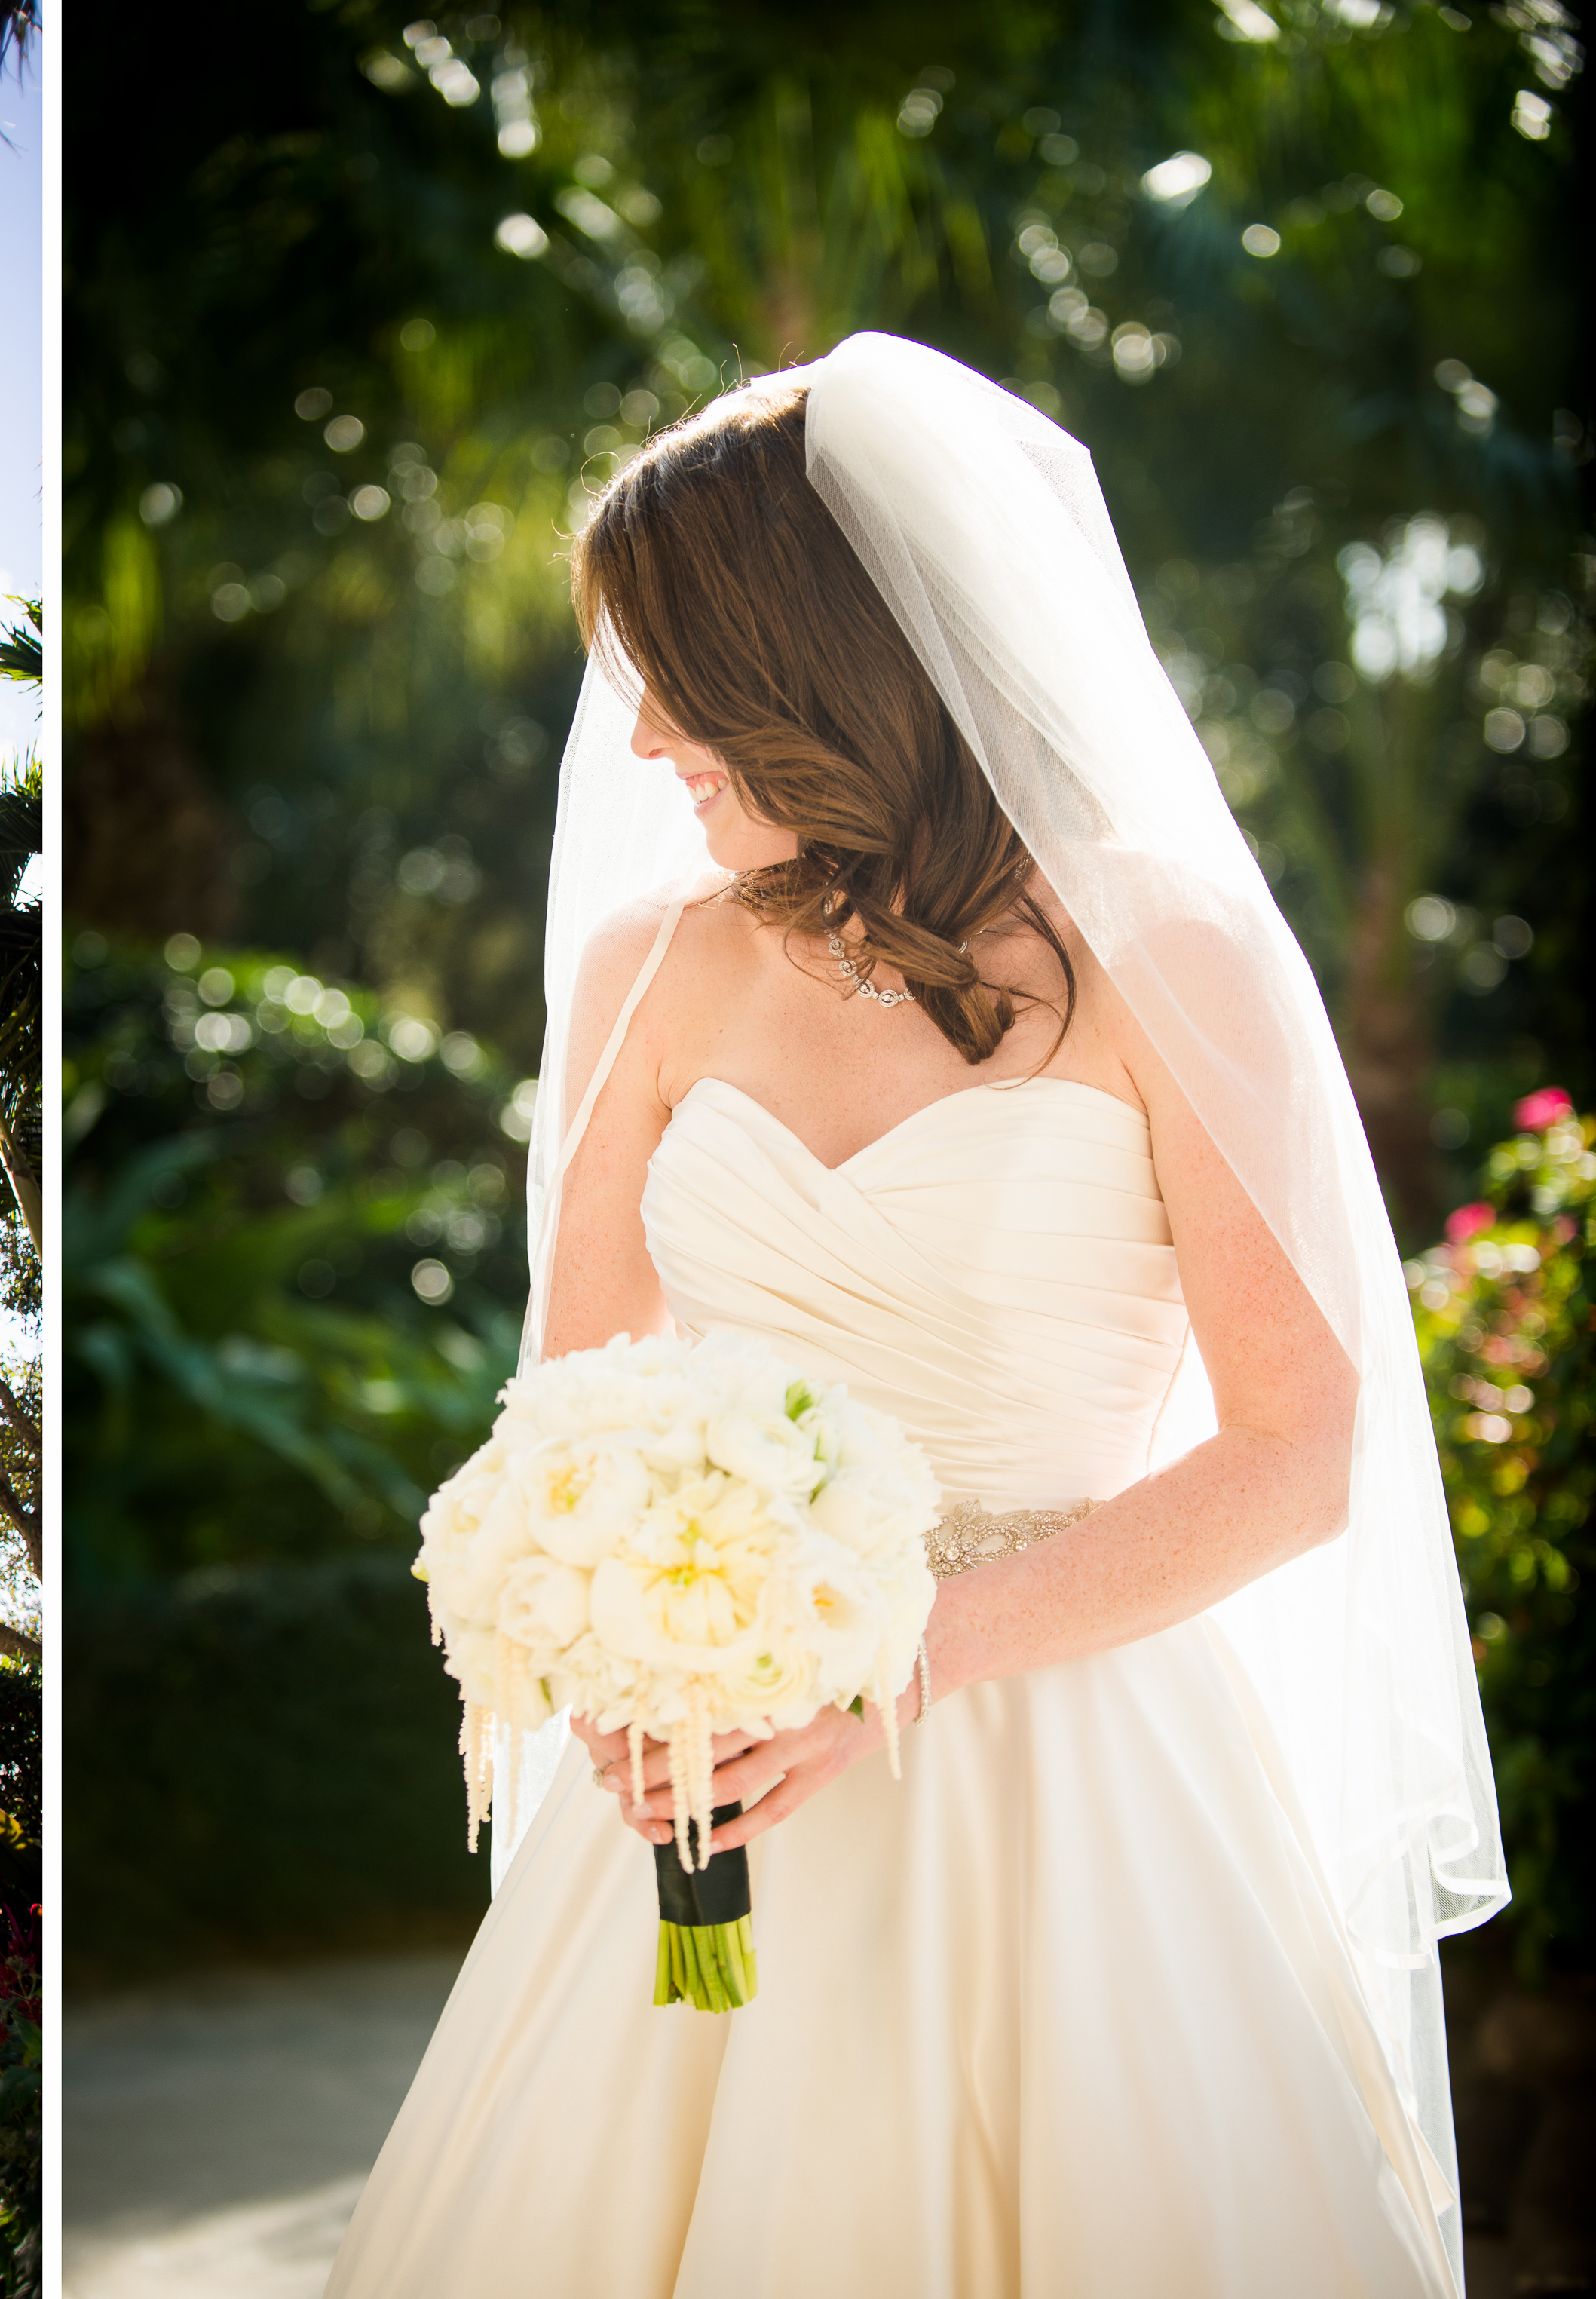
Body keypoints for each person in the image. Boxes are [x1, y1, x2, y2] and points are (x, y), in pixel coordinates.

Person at [321, 336, 1499, 2298]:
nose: (641, 745)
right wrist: (616, 1657)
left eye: (673, 679)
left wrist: (900, 1661)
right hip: (717, 1792)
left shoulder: (1164, 947)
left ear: (807, 664)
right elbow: (568, 1411)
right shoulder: (647, 968)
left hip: (1079, 1790)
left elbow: (1303, 1453)